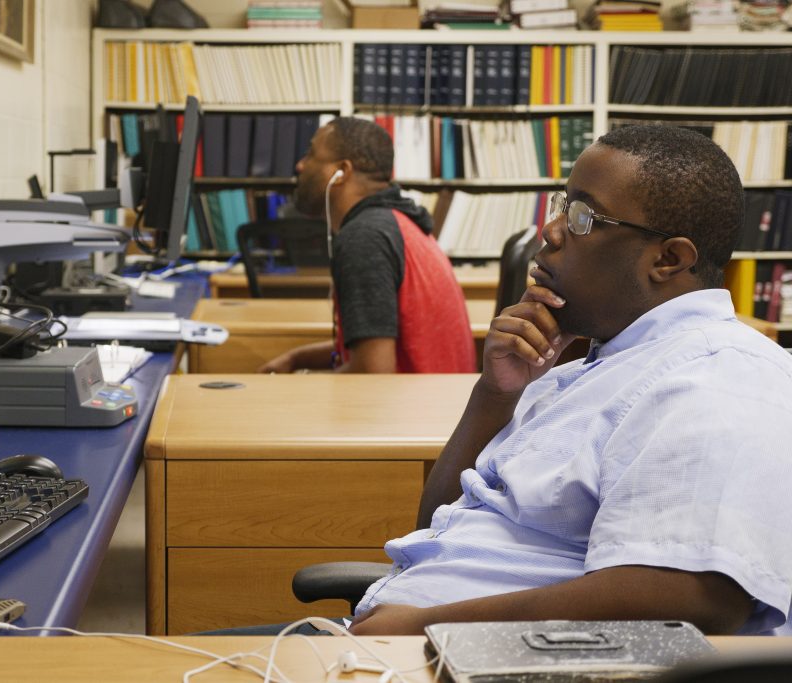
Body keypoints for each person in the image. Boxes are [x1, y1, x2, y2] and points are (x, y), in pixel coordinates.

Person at [224, 124, 792, 637]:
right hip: (402, 638)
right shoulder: (588, 368)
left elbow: (691, 596)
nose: (549, 231)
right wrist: (493, 396)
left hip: (451, 654)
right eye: (561, 205)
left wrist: (417, 626)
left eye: (582, 218)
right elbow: (439, 528)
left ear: (668, 259)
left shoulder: (718, 379)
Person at [258, 117, 475, 374]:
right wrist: (298, 358)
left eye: (311, 154)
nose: (300, 165)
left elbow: (373, 374)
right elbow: (377, 343)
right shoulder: (398, 221)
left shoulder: (364, 238)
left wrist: (303, 386)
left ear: (342, 172)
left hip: (414, 410)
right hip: (438, 400)